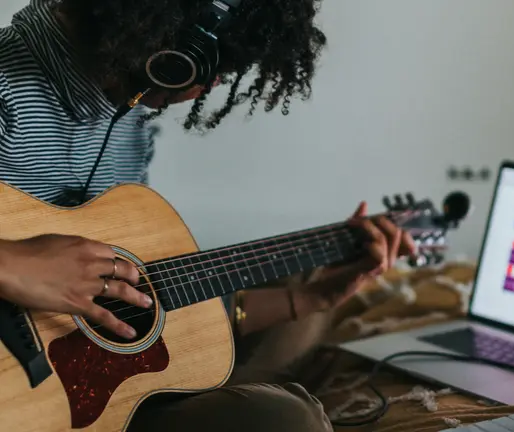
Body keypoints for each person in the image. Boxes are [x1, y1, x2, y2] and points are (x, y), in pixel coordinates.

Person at [0, 1, 415, 430]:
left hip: (87, 387)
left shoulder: (128, 123)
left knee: (297, 288)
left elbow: (142, 302)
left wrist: (308, 301)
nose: (210, 85)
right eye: (214, 63)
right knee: (291, 420)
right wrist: (20, 265)